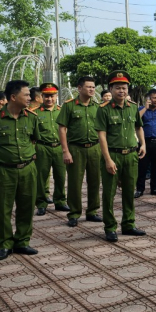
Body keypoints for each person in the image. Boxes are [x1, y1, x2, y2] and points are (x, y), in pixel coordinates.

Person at [0, 80, 40, 261]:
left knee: (27, 207)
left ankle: (22, 241)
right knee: (2, 209)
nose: (30, 98)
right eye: (26, 95)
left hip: (27, 169)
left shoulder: (31, 117)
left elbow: (34, 139)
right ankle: (5, 244)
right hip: (3, 171)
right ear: (13, 97)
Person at [96, 70, 148, 242]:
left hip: (131, 155)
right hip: (113, 155)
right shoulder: (103, 110)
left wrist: (143, 144)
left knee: (129, 192)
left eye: (124, 88)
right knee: (109, 193)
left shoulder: (133, 107)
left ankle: (128, 224)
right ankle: (110, 227)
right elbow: (101, 135)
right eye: (118, 88)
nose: (122, 91)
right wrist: (108, 159)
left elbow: (138, 127)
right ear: (111, 89)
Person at [57, 76, 100, 227]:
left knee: (95, 180)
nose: (92, 90)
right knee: (75, 182)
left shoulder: (97, 106)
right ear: (79, 88)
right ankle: (74, 213)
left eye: (93, 87)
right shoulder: (69, 106)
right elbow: (62, 129)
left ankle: (92, 211)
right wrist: (65, 151)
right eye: (88, 87)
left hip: (95, 148)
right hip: (75, 148)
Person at [33, 83, 66, 215]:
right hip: (42, 147)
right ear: (42, 96)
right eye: (46, 96)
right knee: (41, 177)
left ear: (56, 96)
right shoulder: (35, 113)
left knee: (61, 176)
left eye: (52, 96)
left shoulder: (62, 111)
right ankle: (41, 203)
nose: (49, 99)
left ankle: (60, 201)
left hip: (59, 147)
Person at [136, 89, 156, 197]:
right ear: (148, 99)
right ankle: (140, 189)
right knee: (142, 166)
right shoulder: (142, 109)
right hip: (144, 142)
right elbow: (135, 119)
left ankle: (154, 188)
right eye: (154, 98)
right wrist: (145, 108)